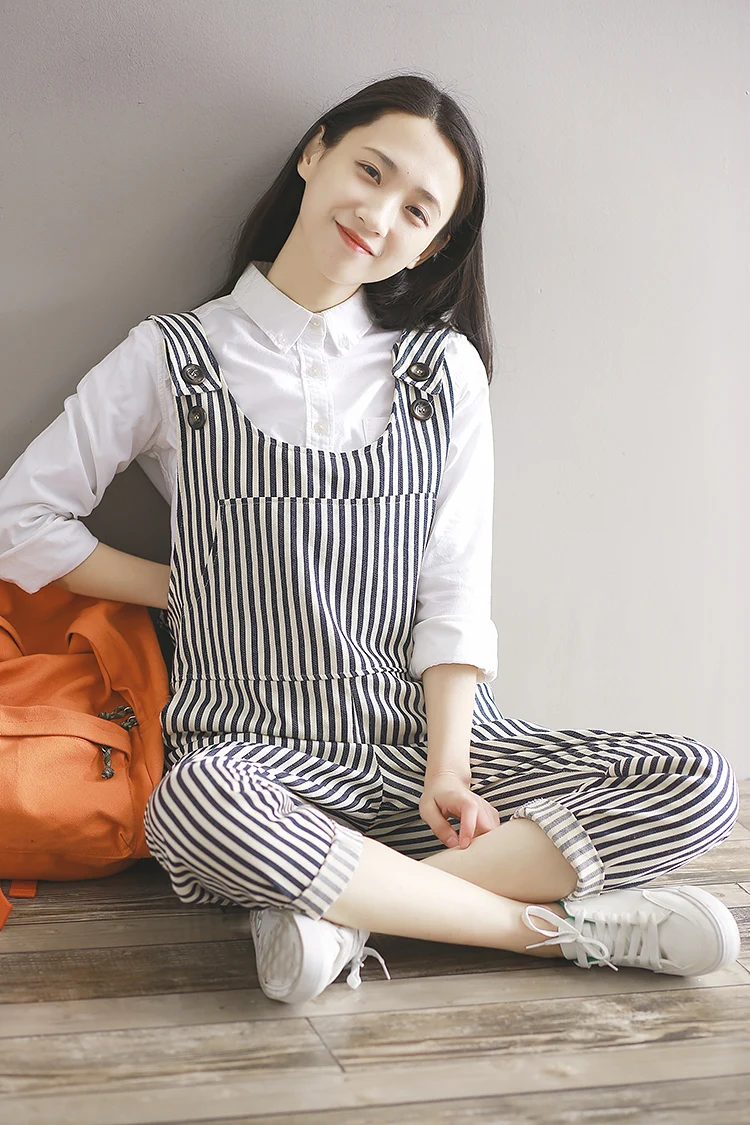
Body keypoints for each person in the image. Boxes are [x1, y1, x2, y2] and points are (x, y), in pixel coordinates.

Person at [0, 74, 740, 1005]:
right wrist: (187, 584)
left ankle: (343, 912)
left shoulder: (442, 370)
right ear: (315, 154)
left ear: (431, 246)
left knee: (697, 778)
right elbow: (18, 523)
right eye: (371, 171)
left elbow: (455, 587)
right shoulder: (174, 357)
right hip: (257, 757)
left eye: (417, 210)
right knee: (191, 805)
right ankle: (554, 934)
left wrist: (450, 769)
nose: (378, 215)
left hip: (424, 743)